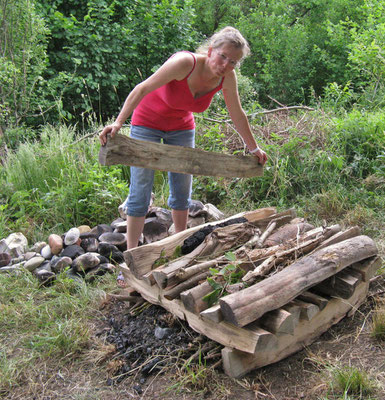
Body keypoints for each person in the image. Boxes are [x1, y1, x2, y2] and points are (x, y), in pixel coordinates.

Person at [99, 26, 268, 253]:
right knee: (140, 189)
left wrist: (254, 148)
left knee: (181, 190)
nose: (226, 65)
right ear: (211, 51)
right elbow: (142, 88)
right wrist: (119, 122)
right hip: (147, 122)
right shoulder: (184, 63)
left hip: (181, 127)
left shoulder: (227, 77)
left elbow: (237, 113)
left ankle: (179, 247)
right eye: (223, 56)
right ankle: (132, 256)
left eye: (233, 62)